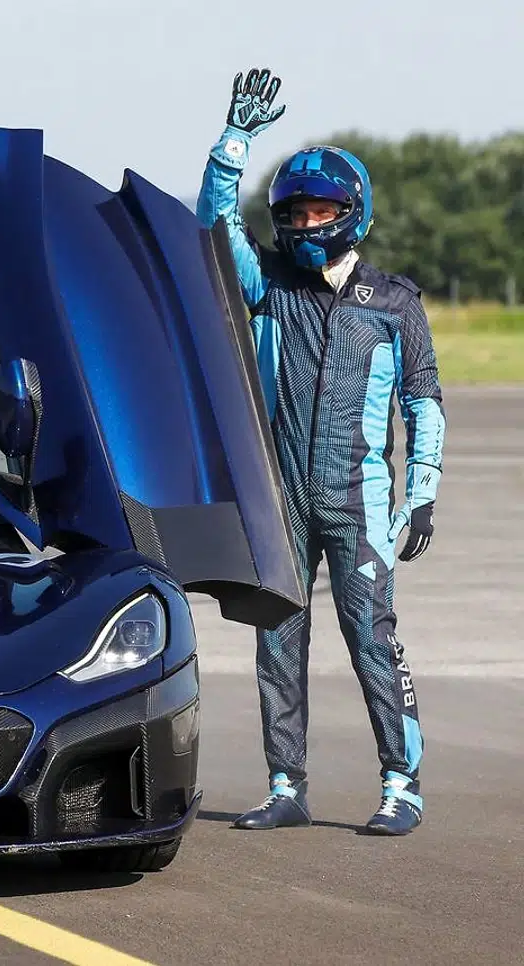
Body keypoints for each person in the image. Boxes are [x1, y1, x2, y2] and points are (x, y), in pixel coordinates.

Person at [196, 67, 446, 835]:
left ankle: (402, 784)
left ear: (351, 213)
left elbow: (424, 399)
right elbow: (213, 223)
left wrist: (423, 489)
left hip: (360, 499)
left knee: (371, 637)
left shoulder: (395, 303)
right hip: (281, 499)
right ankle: (285, 784)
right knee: (278, 640)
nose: (306, 223)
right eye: (296, 212)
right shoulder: (271, 285)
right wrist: (234, 142)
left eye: (319, 210)